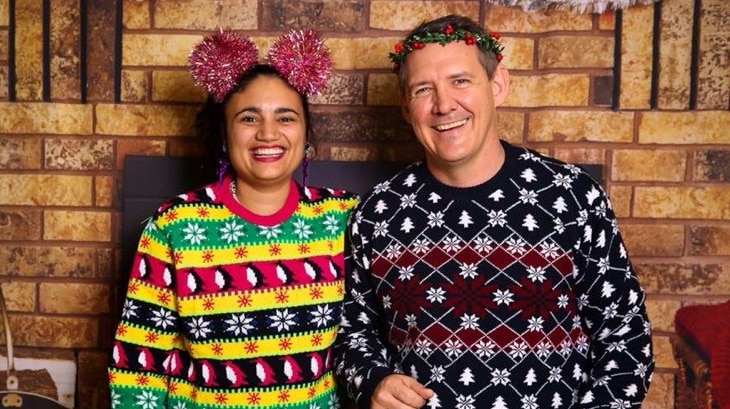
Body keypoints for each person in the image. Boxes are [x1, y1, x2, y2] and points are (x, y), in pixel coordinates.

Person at [333, 14, 654, 409]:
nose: (444, 104)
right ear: (405, 107)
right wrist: (373, 382)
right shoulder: (377, 212)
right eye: (422, 89)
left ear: (498, 84)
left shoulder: (573, 196)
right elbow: (352, 334)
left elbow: (625, 335)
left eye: (461, 81)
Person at [108, 29, 358, 409]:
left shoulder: (343, 217)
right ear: (225, 135)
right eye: (248, 118)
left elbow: (367, 339)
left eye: (286, 117)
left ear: (306, 134)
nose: (268, 133)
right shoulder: (174, 225)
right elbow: (137, 365)